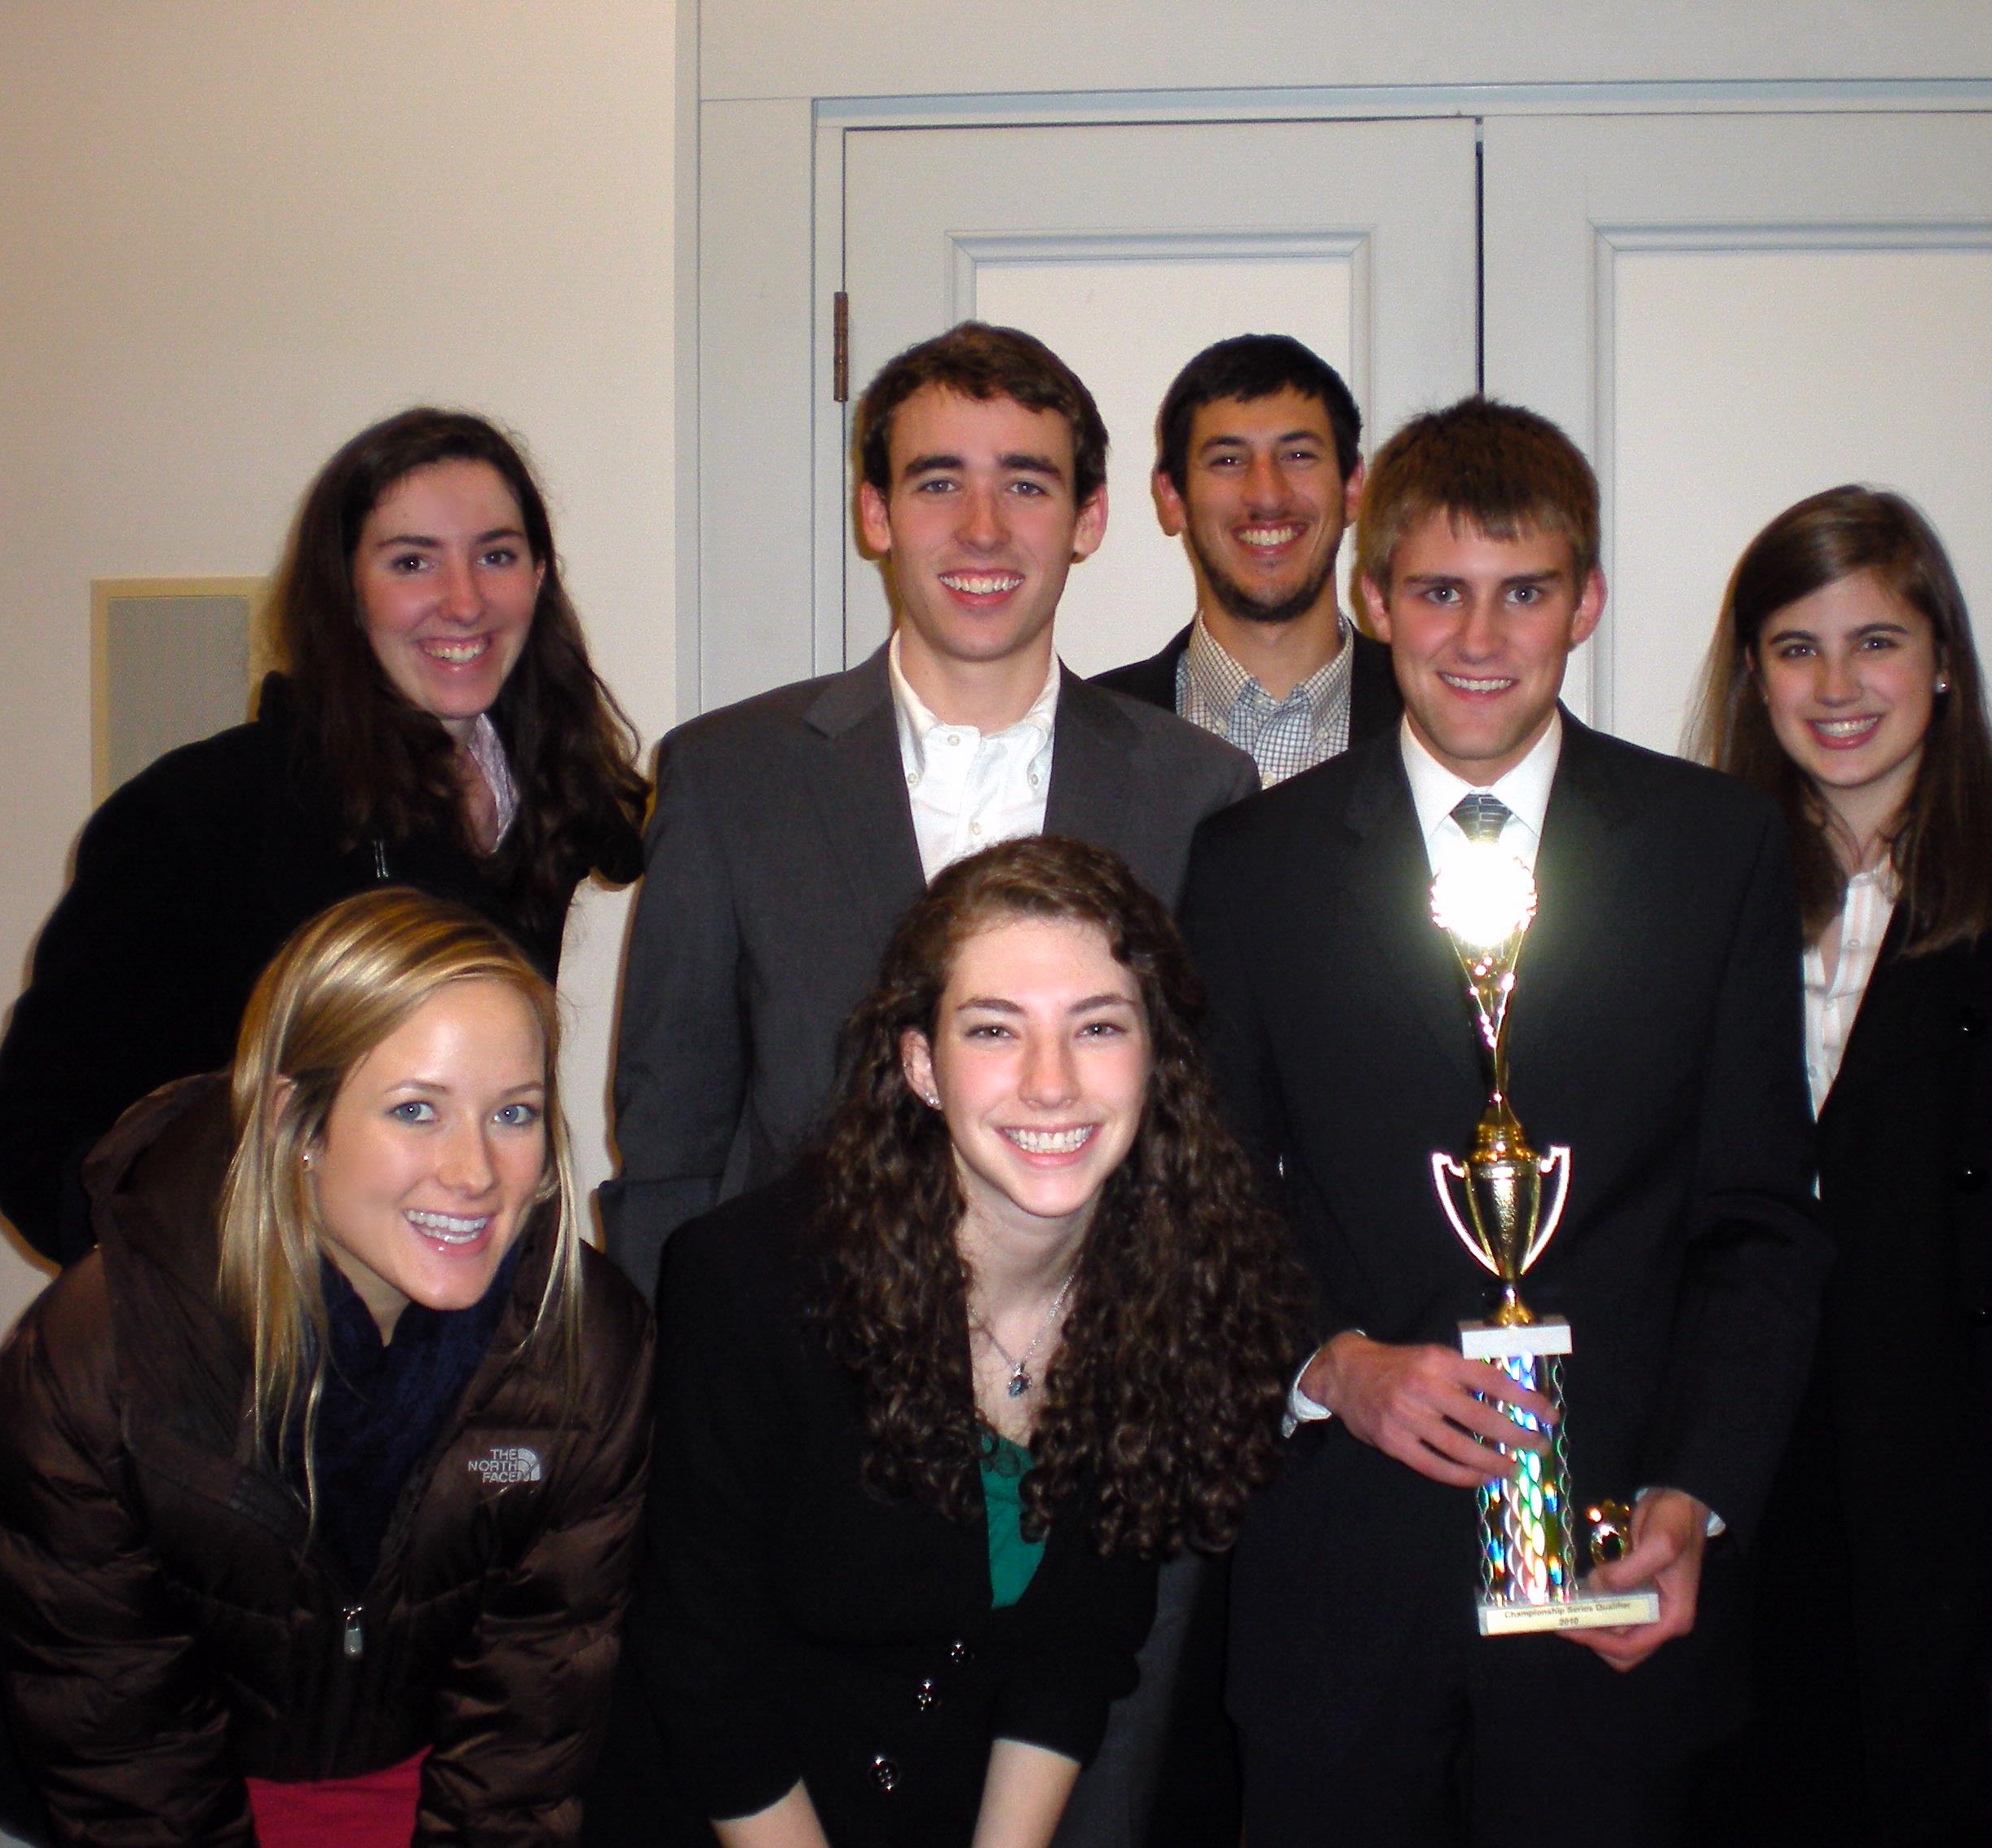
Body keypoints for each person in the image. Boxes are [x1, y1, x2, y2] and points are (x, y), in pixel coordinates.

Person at [1182, 397, 1829, 1846]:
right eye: (1438, 592)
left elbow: (1756, 1218)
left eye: (1523, 591)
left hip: (1609, 1572)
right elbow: (1209, 1198)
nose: (1479, 638)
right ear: (1373, 598)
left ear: (1586, 602)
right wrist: (1328, 1365)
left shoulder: (1712, 846)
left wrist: (1695, 1495)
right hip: (1342, 1575)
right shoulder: (1251, 864)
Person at [588, 835, 1307, 1848]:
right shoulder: (751, 1280)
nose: (1051, 1084)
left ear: (1155, 1058)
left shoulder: (1173, 1289)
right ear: (922, 1066)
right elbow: (707, 1670)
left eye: (1097, 1026)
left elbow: (1077, 1652)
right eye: (995, 1031)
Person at [0, 889, 655, 1846]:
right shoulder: (97, 1360)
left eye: (514, 1113)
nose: (473, 1172)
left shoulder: (586, 1345)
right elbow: (121, 1749)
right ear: (296, 1124)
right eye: (416, 1109)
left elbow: (526, 1724)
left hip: (431, 1790)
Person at [605, 321, 1257, 1294]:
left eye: (1027, 484)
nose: (982, 528)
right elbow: (668, 1155)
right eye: (939, 482)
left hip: (1109, 1380)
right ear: (877, 514)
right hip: (801, 1374)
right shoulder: (727, 777)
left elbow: (1213, 1140)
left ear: (1089, 518)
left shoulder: (1199, 789)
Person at [0, 408, 648, 1264]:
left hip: (461, 1310)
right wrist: (220, 1292)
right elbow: (32, 1132)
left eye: (496, 554)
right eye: (412, 561)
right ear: (345, 588)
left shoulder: (549, 802)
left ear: (540, 575)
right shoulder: (201, 813)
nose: (465, 599)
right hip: (257, 1348)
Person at [1685, 485, 1992, 1845]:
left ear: (1946, 658)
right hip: (1733, 1520)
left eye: (1877, 641)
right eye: (1795, 646)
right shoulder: (1685, 886)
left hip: (1950, 1554)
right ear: (1751, 676)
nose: (1836, 686)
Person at [1094, 334, 1399, 782]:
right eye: (1228, 460)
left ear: (1353, 488)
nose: (1267, 495)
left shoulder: (1436, 714)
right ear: (1173, 497)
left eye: (1298, 455)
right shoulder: (1086, 738)